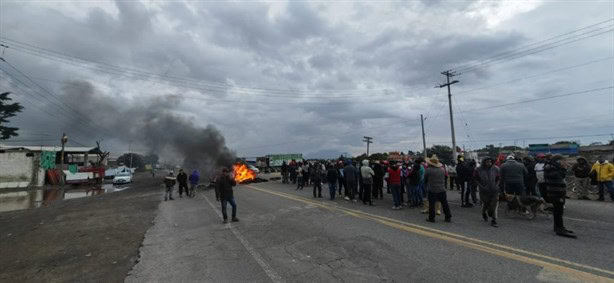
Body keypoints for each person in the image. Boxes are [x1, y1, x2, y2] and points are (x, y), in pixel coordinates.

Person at [544, 155, 575, 238]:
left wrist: (563, 168)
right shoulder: (550, 167)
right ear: (558, 161)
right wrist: (563, 168)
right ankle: (559, 228)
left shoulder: (554, 167)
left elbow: (561, 176)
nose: (565, 163)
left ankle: (558, 226)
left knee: (559, 210)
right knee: (558, 210)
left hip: (558, 191)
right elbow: (559, 176)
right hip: (555, 192)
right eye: (563, 161)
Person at [424, 156, 452, 223]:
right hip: (442, 189)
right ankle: (448, 217)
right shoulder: (442, 169)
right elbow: (445, 177)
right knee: (445, 203)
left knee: (432, 204)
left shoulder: (428, 170)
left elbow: (425, 179)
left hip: (432, 189)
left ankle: (432, 218)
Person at [474, 158, 500, 227]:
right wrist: (481, 186)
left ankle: (494, 220)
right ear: (483, 162)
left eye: (490, 162)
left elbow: (498, 178)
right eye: (487, 162)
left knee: (494, 205)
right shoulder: (478, 170)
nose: (489, 163)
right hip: (484, 191)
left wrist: (496, 185)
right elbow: (475, 179)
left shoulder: (496, 168)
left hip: (494, 190)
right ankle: (483, 212)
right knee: (486, 204)